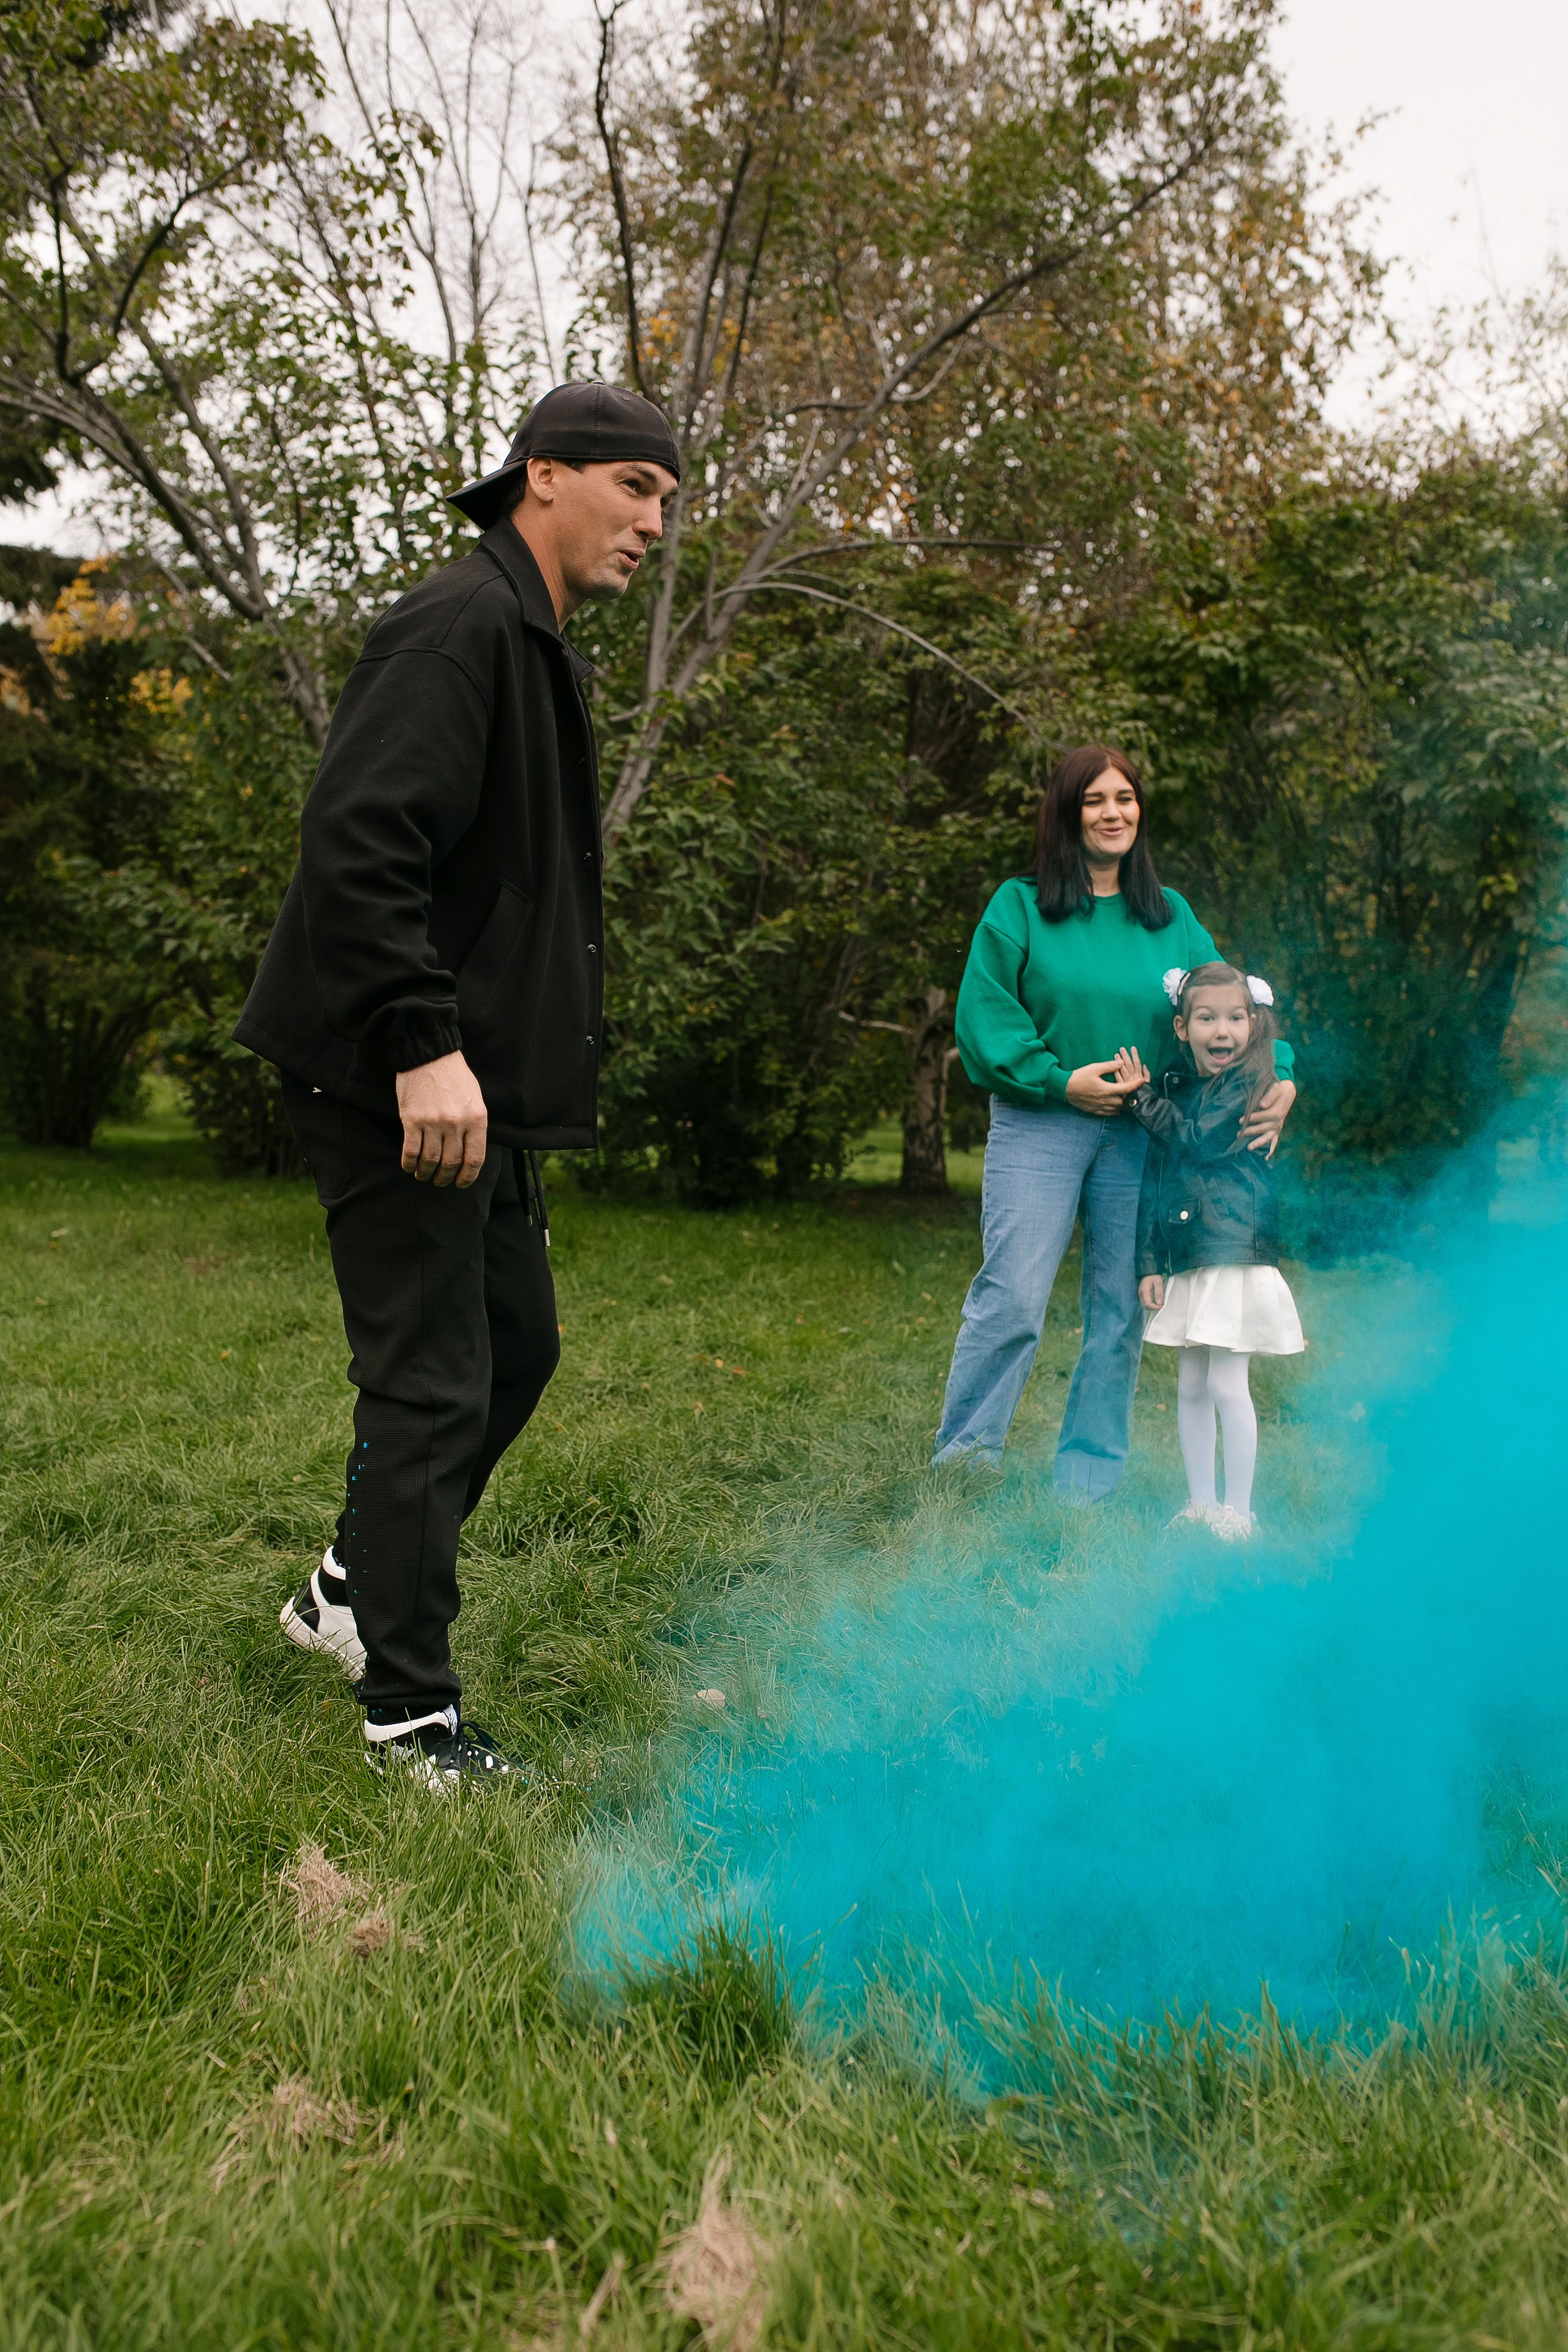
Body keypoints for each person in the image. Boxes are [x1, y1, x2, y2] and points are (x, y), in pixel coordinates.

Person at [233, 383, 681, 1789]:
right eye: (634, 489)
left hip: (464, 1080)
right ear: (541, 477)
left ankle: (345, 1594)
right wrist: (424, 1043)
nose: (655, 523)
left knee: (516, 1340)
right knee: (429, 1382)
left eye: (666, 499)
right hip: (390, 1073)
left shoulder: (530, 635)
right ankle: (409, 1721)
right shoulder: (460, 621)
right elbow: (360, 839)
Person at [932, 745, 1296, 1496]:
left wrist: (1281, 1075)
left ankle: (1087, 1480)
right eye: (1095, 800)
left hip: (1145, 1131)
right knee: (1012, 1296)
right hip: (1042, 1122)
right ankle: (963, 1466)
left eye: (1124, 799)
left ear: (1139, 812)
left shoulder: (1170, 918)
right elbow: (985, 1020)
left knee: (1121, 1307)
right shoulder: (1020, 906)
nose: (1112, 813)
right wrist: (1059, 1081)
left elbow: (1233, 1007)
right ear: (1068, 813)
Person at [1116, 963, 1306, 1537]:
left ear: (1253, 1025)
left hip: (1232, 1248)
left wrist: (1138, 1099)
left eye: (1234, 1018)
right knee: (1191, 1386)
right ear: (1182, 1027)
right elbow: (1157, 1176)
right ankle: (1200, 1505)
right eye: (1206, 1018)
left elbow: (1195, 1142)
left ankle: (1239, 1512)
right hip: (1190, 1254)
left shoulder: (1251, 1084)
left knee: (1226, 1384)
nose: (1221, 1031)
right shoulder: (1177, 1089)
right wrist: (1149, 1262)